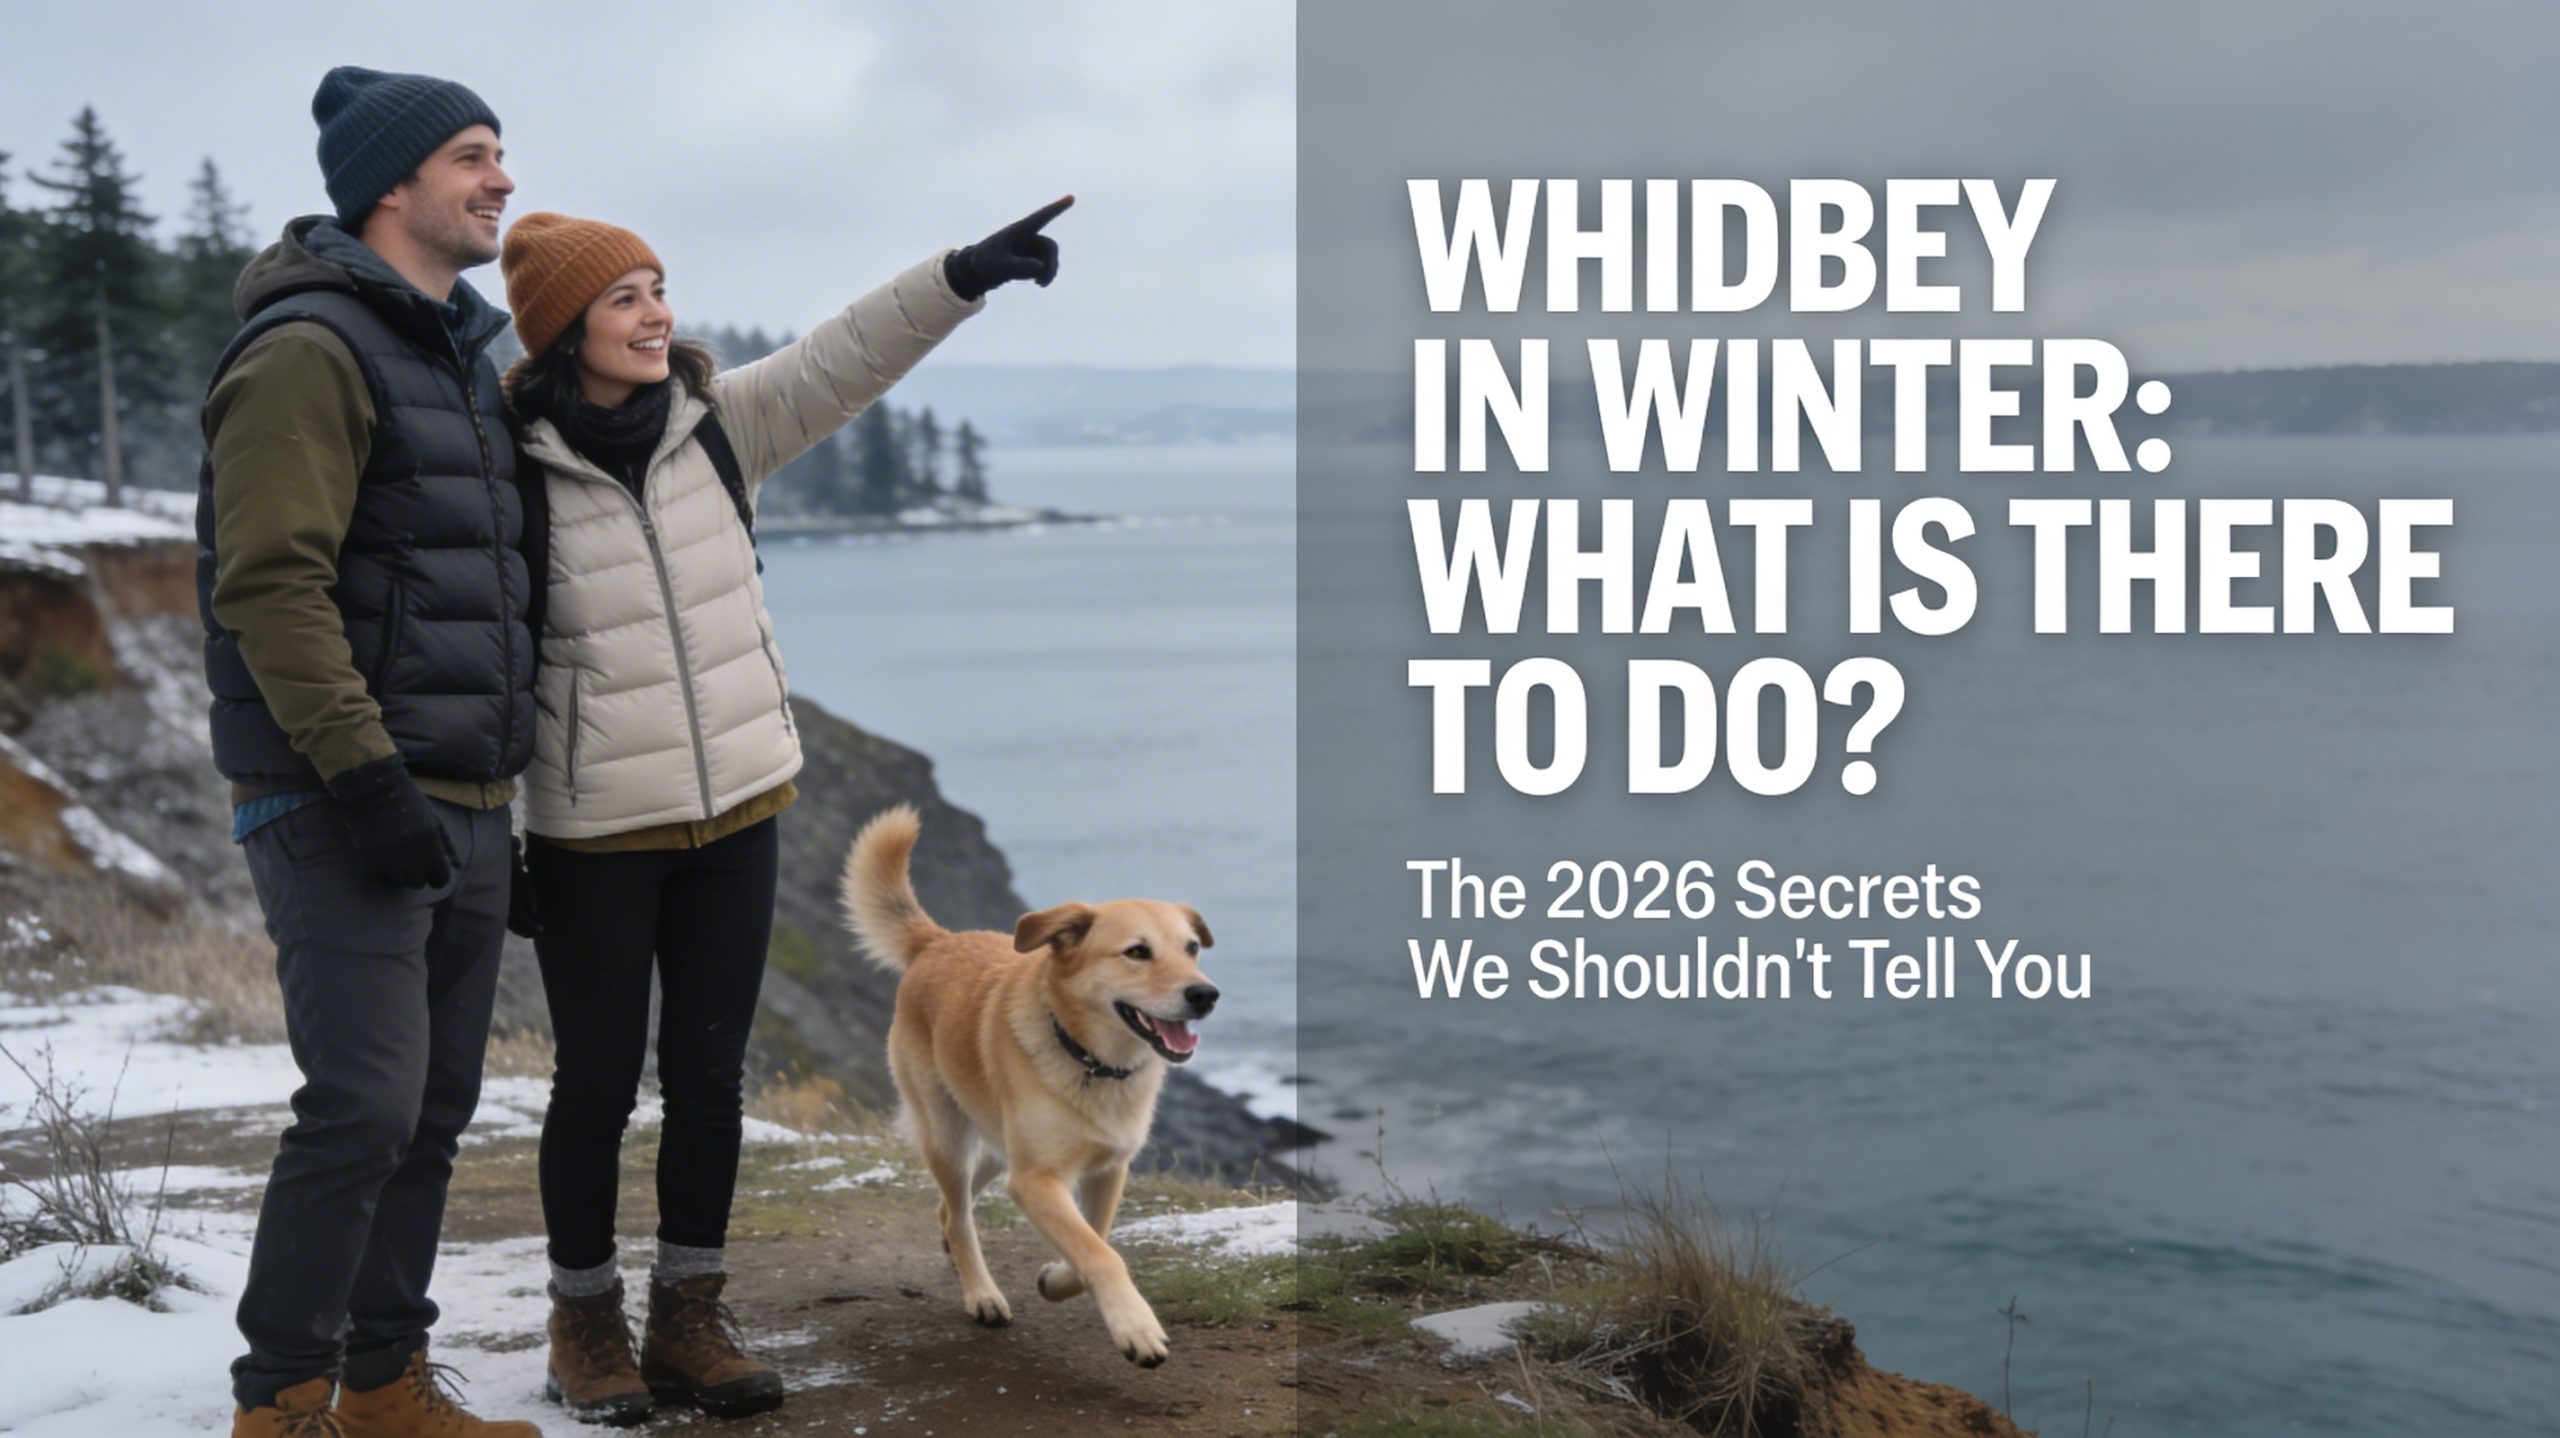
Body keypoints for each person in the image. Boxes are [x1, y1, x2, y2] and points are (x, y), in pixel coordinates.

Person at [498, 198, 1068, 1424]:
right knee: (595, 1085)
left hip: (738, 818)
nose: (656, 315)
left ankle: (689, 1317)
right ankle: (582, 1322)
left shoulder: (718, 425)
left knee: (711, 1080)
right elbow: (481, 667)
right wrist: (500, 837)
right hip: (593, 834)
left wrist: (960, 275)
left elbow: (843, 355)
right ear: (560, 330)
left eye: (659, 289)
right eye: (624, 298)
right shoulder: (508, 469)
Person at [198, 67, 543, 1438]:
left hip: (465, 796)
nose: (501, 180)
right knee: (361, 1106)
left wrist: (496, 799)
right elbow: (270, 583)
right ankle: (280, 1400)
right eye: (472, 156)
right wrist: (365, 775)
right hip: (339, 793)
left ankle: (386, 1383)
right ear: (390, 185)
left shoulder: (458, 353)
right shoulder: (309, 348)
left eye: (500, 153)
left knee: (434, 1108)